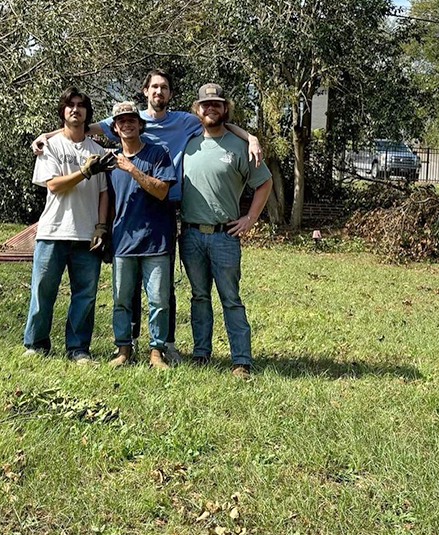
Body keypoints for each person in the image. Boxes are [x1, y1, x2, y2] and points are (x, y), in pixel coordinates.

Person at [32, 71, 263, 362]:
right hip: (131, 224)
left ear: (169, 93)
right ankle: (125, 346)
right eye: (154, 86)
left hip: (170, 211)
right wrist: (47, 135)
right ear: (145, 91)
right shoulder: (123, 127)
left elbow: (219, 122)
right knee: (129, 294)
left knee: (163, 290)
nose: (159, 91)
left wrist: (251, 137)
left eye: (165, 87)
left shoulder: (186, 121)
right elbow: (80, 126)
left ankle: (163, 346)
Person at [180, 83, 273, 379]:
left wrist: (250, 218)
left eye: (217, 104)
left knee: (230, 298)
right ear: (198, 109)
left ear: (225, 108)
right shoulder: (188, 142)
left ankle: (241, 361)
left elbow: (264, 183)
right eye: (206, 104)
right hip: (191, 235)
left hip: (225, 236)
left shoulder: (239, 147)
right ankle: (201, 353)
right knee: (198, 296)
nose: (211, 109)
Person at [22, 88, 114, 360]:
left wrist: (101, 226)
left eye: (81, 106)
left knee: (84, 297)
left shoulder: (97, 150)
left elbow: (103, 193)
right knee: (43, 292)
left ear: (87, 113)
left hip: (87, 235)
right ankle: (36, 345)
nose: (76, 109)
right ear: (62, 112)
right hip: (53, 231)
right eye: (70, 105)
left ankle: (78, 349)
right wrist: (84, 171)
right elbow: (54, 185)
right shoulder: (50, 146)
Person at [106, 101, 177, 370]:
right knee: (122, 300)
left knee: (158, 300)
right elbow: (105, 199)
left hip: (156, 241)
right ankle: (123, 349)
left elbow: (161, 191)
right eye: (121, 120)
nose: (127, 124)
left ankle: (156, 351)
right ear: (114, 127)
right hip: (122, 240)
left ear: (140, 124)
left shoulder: (158, 153)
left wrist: (132, 168)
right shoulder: (109, 161)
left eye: (131, 119)